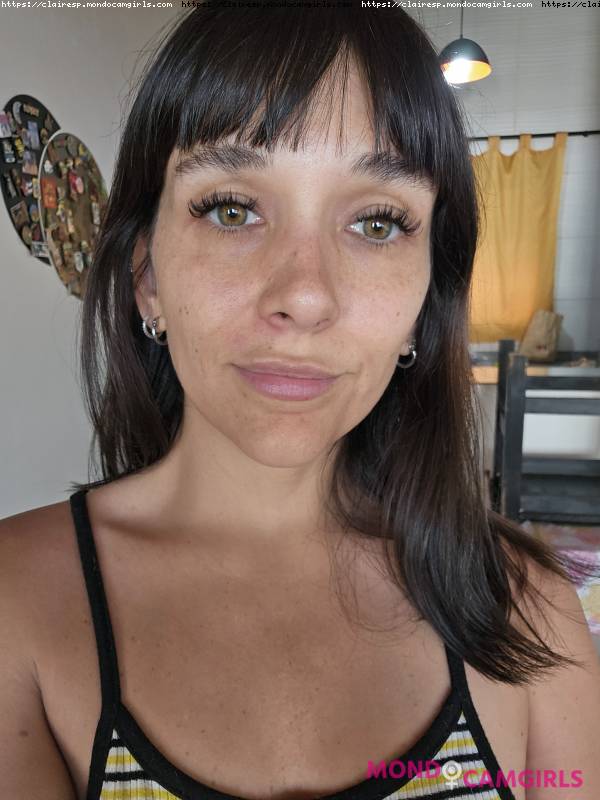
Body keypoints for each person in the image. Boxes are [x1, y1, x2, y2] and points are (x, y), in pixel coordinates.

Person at [2, 4, 599, 800]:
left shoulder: (530, 609)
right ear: (147, 277)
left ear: (425, 300)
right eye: (232, 209)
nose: (306, 297)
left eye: (378, 222)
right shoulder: (17, 603)